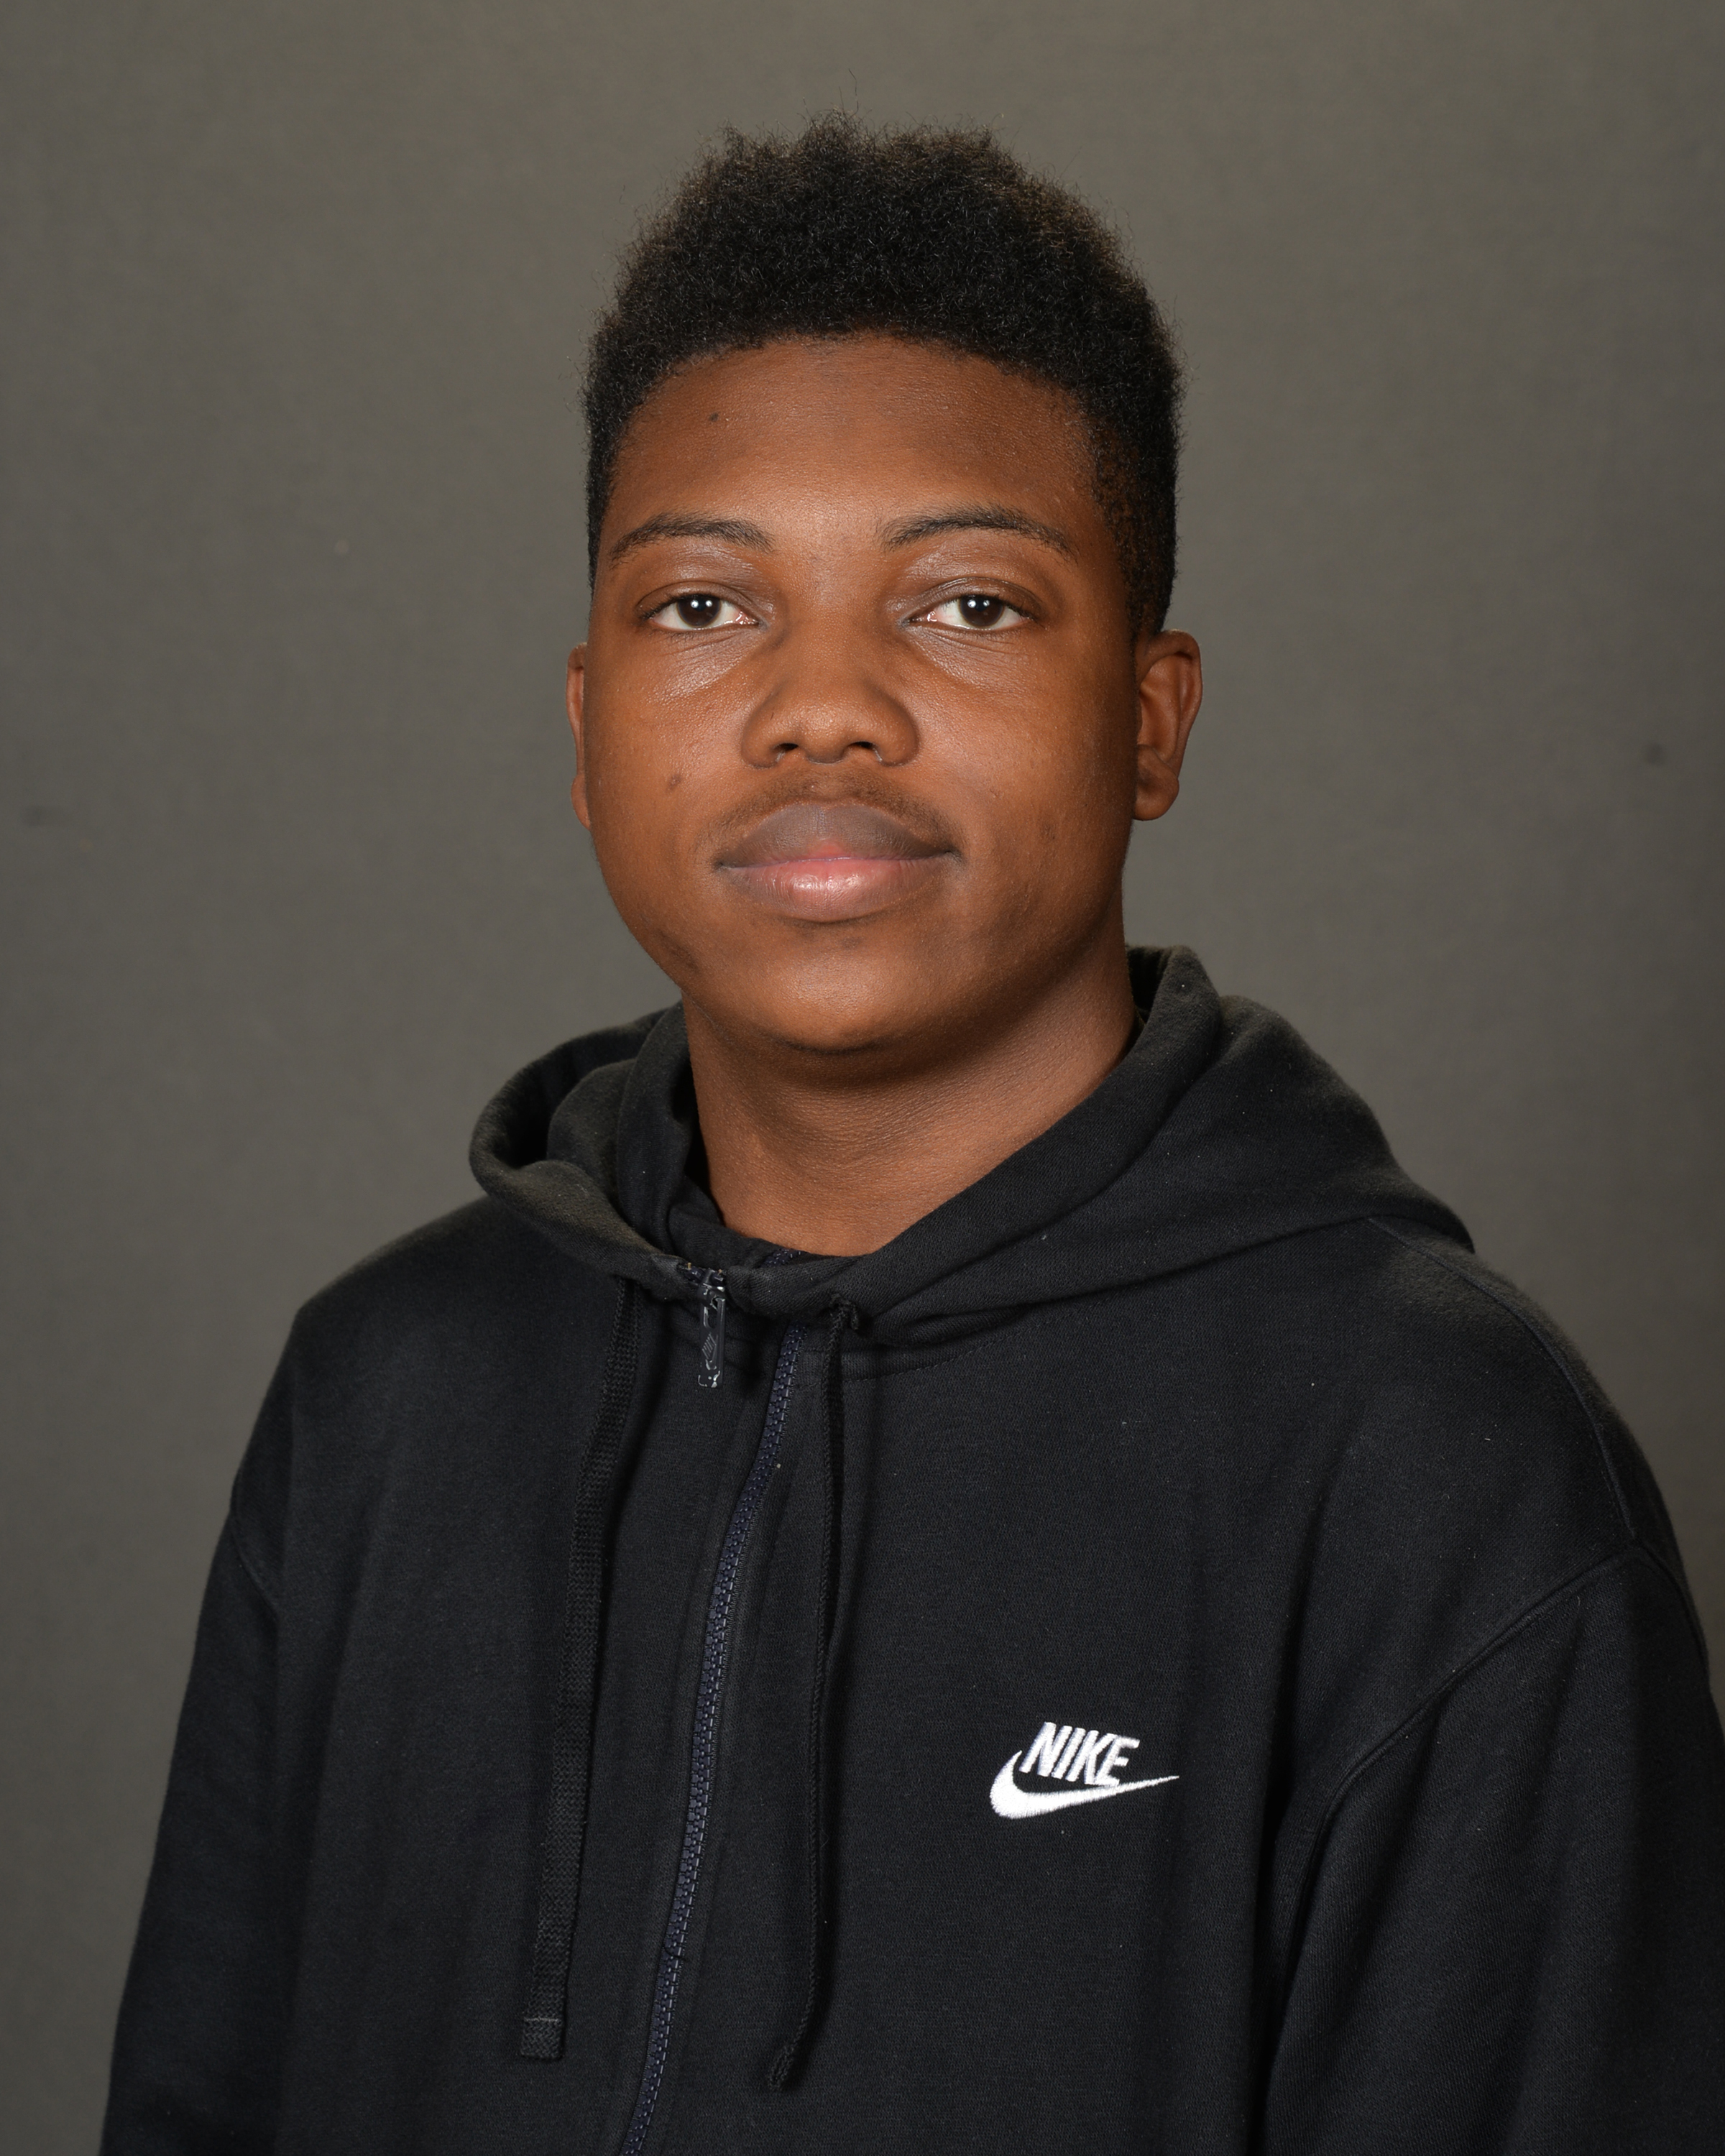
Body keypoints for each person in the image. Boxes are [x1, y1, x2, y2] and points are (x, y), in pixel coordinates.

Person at [103, 116, 1725, 2155]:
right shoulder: (384, 1396)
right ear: (587, 723)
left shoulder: (1433, 1472)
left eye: (967, 602)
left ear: (1151, 719)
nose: (824, 707)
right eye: (706, 605)